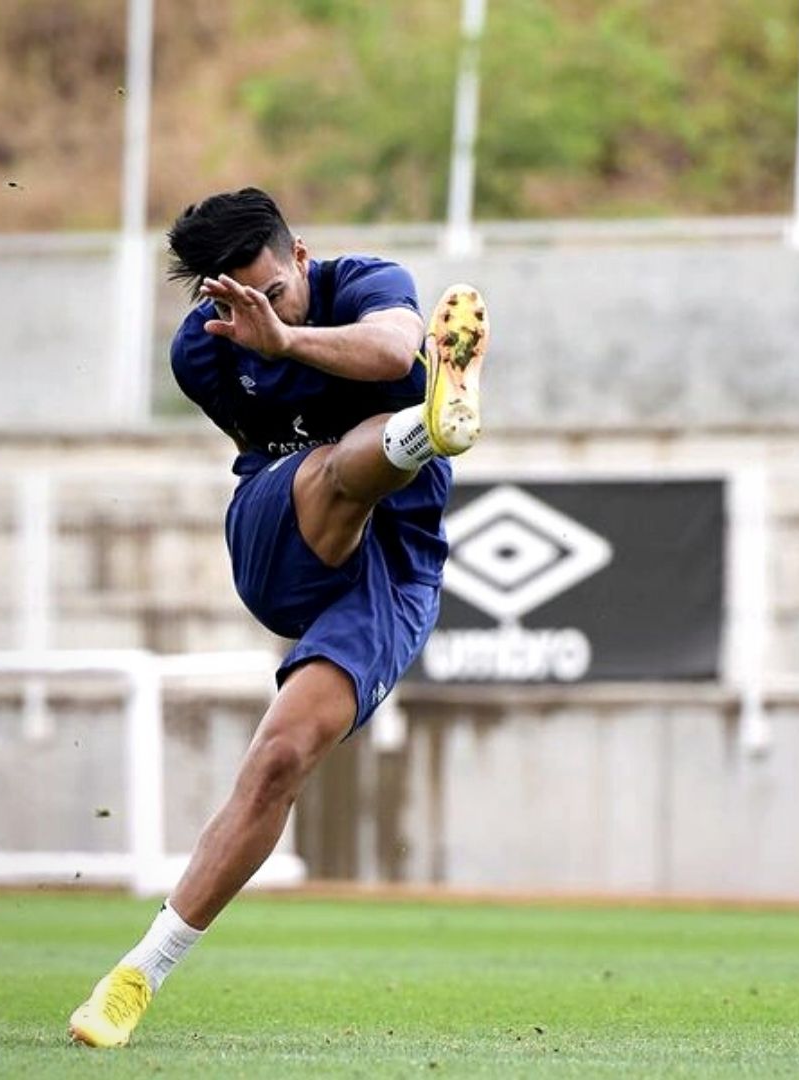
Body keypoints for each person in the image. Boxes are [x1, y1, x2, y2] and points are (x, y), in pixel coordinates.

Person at [68, 187, 487, 1048]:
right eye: (239, 298)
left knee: (279, 760)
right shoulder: (205, 353)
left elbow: (394, 346)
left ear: (302, 257)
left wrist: (290, 338)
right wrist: (264, 341)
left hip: (395, 570)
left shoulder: (368, 281)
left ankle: (135, 975)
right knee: (335, 466)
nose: (262, 309)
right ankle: (423, 432)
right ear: (213, 295)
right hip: (276, 522)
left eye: (277, 289)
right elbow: (258, 435)